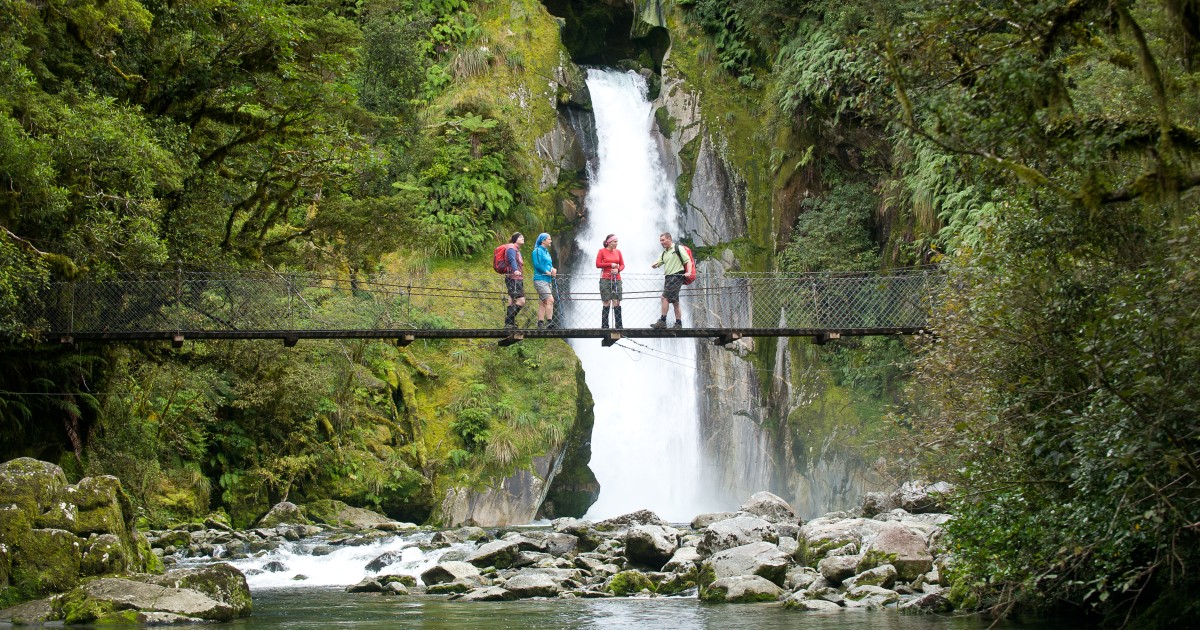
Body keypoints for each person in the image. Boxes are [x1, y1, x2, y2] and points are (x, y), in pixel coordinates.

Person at [650, 231, 691, 329]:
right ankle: (678, 323)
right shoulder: (664, 253)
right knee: (675, 302)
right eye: (660, 241)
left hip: (677, 276)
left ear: (669, 239)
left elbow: (687, 260)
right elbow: (658, 263)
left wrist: (688, 272)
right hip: (668, 277)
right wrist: (654, 265)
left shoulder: (678, 248)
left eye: (663, 240)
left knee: (664, 298)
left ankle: (663, 321)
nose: (661, 242)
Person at [595, 234, 625, 329]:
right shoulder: (601, 251)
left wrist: (618, 270)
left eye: (617, 241)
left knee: (616, 301)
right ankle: (605, 325)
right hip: (605, 278)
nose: (616, 243)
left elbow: (622, 264)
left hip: (617, 278)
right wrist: (610, 265)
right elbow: (598, 264)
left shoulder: (618, 252)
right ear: (609, 242)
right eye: (615, 242)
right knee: (607, 301)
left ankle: (619, 325)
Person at [532, 233, 558, 329]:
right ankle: (550, 323)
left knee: (543, 302)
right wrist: (546, 271)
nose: (550, 241)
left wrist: (552, 269)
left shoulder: (547, 252)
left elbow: (549, 264)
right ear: (543, 240)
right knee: (550, 300)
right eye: (549, 239)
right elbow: (537, 264)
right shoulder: (537, 251)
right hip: (540, 279)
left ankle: (540, 323)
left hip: (547, 279)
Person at [502, 232, 525, 330]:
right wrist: (515, 271)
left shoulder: (516, 249)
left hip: (514, 278)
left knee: (512, 299)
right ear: (515, 239)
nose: (523, 238)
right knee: (521, 300)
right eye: (520, 237)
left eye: (523, 236)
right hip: (514, 278)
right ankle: (508, 321)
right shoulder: (511, 248)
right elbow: (512, 260)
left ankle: (510, 324)